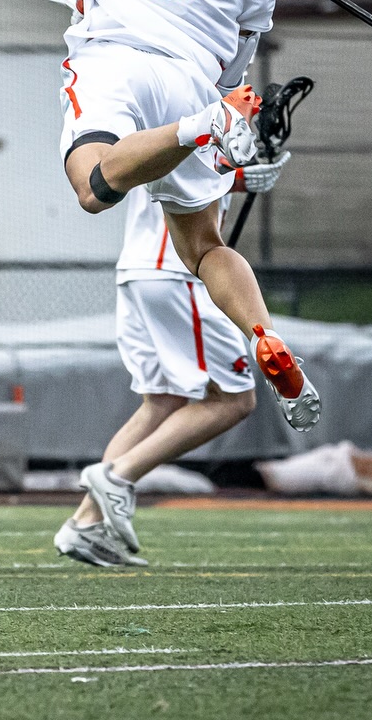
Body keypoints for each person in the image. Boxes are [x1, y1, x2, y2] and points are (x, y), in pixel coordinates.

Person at [50, 0, 321, 554]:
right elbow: (236, 60)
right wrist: (218, 115)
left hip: (117, 59)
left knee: (92, 184)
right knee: (204, 248)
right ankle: (263, 330)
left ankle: (201, 130)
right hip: (193, 81)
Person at [55, 154, 290, 565]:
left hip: (139, 269)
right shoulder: (198, 118)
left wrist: (236, 174)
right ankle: (118, 476)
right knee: (234, 399)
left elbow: (164, 165)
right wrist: (236, 175)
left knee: (161, 401)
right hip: (174, 270)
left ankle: (87, 524)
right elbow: (184, 165)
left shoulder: (165, 120)